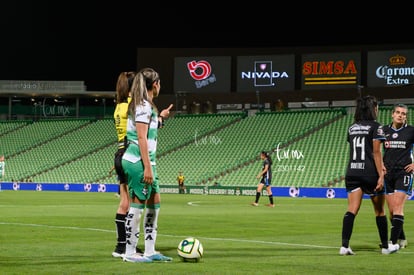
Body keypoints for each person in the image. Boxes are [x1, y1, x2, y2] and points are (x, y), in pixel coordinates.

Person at [122, 67, 174, 263]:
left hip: (146, 160)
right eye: (160, 83)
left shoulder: (147, 106)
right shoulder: (143, 106)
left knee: (154, 202)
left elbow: (149, 128)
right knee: (138, 204)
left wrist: (161, 118)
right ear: (155, 84)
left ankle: (150, 250)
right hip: (138, 161)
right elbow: (142, 137)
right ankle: (129, 252)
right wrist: (147, 167)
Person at [340, 95, 399, 255]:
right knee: (379, 211)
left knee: (352, 209)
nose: (377, 109)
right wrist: (381, 174)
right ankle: (386, 247)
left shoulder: (351, 127)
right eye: (376, 107)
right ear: (373, 109)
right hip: (369, 173)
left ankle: (344, 246)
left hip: (352, 171)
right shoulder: (376, 127)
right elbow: (376, 152)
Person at [111, 71, 143, 258]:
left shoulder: (118, 107)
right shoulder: (132, 106)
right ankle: (130, 246)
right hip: (130, 154)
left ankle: (120, 246)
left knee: (124, 203)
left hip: (119, 153)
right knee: (136, 204)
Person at [383, 103, 414, 250]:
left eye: (403, 113)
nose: (401, 115)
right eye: (398, 112)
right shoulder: (384, 130)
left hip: (404, 172)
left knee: (397, 207)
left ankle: (392, 243)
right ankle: (401, 238)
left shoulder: (411, 131)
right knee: (391, 211)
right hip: (388, 174)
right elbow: (376, 150)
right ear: (392, 114)